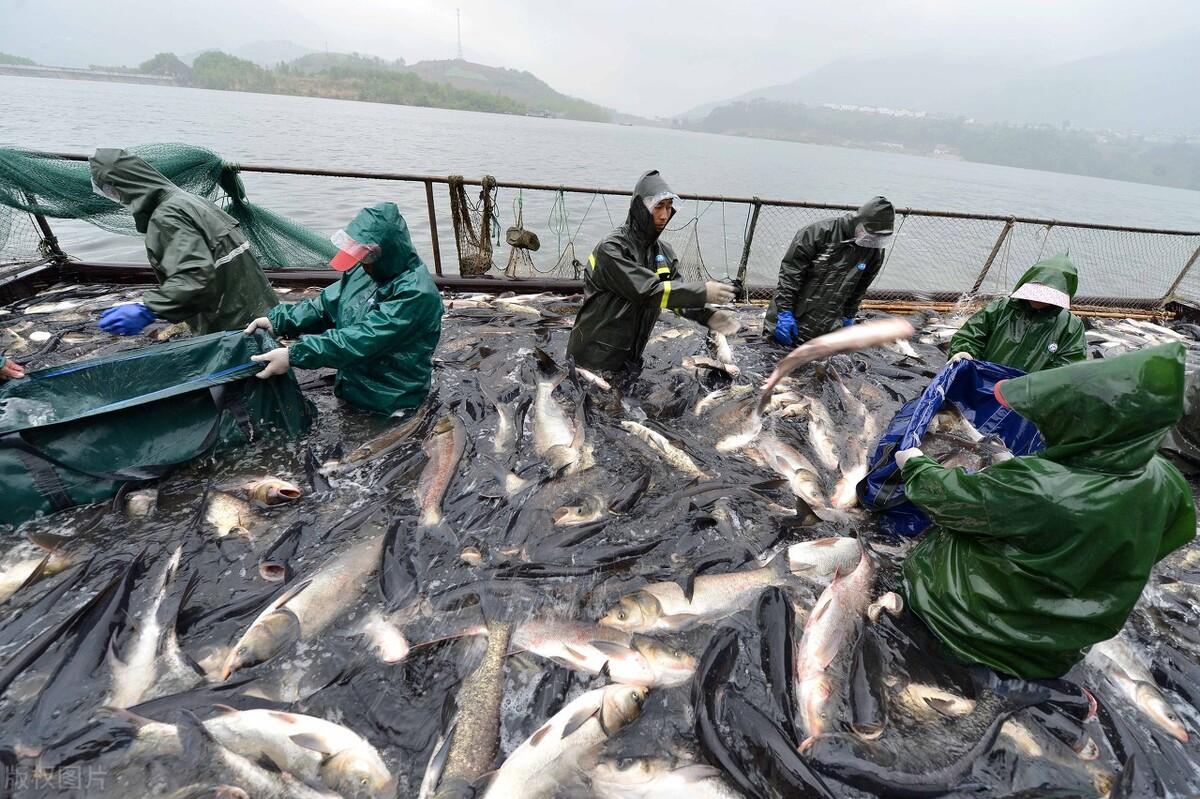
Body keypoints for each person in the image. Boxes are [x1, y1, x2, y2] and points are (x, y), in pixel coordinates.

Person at [894, 342, 1195, 679]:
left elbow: (949, 500)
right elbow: (1177, 532)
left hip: (970, 628)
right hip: (1056, 650)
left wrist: (916, 466)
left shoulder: (1038, 487)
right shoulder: (1166, 480)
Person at [244, 202, 443, 415]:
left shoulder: (417, 294)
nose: (362, 263)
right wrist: (280, 321)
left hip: (391, 398)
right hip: (351, 385)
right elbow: (324, 305)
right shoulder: (363, 271)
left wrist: (294, 355)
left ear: (386, 252)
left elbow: (363, 338)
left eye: (365, 258)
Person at [566, 170, 737, 378]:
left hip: (631, 357)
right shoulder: (612, 249)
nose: (665, 215)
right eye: (658, 207)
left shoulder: (663, 253)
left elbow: (676, 297)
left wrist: (707, 316)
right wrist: (703, 291)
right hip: (593, 358)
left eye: (668, 207)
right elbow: (648, 292)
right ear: (640, 208)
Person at [89, 148, 278, 336]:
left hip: (238, 327)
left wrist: (148, 309)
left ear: (127, 185)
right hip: (265, 314)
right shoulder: (189, 200)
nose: (113, 197)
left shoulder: (166, 218)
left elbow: (194, 278)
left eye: (111, 191)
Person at [765, 196, 895, 346]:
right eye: (871, 235)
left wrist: (849, 315)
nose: (873, 241)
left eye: (879, 238)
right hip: (790, 317)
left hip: (827, 326)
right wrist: (784, 312)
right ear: (858, 224)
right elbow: (789, 276)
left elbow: (860, 288)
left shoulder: (874, 251)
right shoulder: (817, 233)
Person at [947, 253, 1086, 372]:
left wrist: (1035, 386)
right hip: (984, 381)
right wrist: (964, 351)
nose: (1038, 299)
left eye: (1047, 296)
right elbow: (970, 335)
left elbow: (1069, 364)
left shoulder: (1071, 326)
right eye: (1035, 292)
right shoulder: (1001, 308)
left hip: (1030, 395)